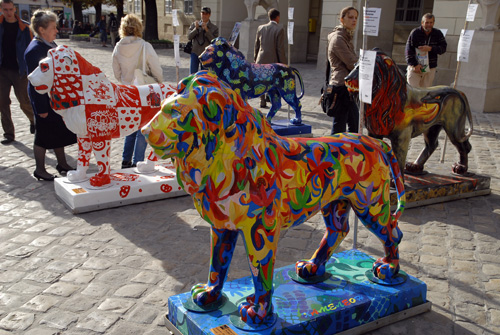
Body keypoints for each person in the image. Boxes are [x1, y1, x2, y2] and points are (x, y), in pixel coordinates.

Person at [24, 9, 77, 181]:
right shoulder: (35, 50)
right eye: (53, 27)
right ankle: (40, 169)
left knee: (58, 131)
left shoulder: (50, 45)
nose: (56, 30)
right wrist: (41, 107)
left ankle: (62, 163)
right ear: (42, 30)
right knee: (43, 136)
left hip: (54, 99)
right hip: (43, 101)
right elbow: (36, 83)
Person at [112, 13, 163, 169]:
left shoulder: (118, 46)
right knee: (144, 126)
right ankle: (137, 161)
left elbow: (116, 72)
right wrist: (158, 82)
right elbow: (156, 69)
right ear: (139, 28)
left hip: (127, 92)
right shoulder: (145, 46)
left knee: (130, 125)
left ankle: (125, 160)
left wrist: (126, 81)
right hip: (144, 92)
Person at [0, 0, 35, 145]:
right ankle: (9, 133)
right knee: (2, 102)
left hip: (20, 70)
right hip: (2, 69)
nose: (8, 12)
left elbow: (31, 48)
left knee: (24, 101)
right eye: (5, 9)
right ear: (1, 9)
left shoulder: (25, 27)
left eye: (10, 9)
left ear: (15, 9)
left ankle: (34, 121)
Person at [327, 6, 359, 135]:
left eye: (356, 18)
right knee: (339, 127)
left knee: (354, 124)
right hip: (341, 86)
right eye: (350, 17)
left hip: (349, 86)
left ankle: (352, 151)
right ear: (341, 19)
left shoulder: (346, 36)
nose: (354, 20)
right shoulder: (338, 39)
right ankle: (333, 152)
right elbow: (352, 63)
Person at [254, 8, 287, 108]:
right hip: (273, 61)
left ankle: (262, 100)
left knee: (261, 80)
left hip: (261, 59)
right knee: (273, 81)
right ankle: (273, 101)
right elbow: (280, 48)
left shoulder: (261, 28)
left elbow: (257, 45)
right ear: (277, 17)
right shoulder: (279, 29)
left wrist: (255, 59)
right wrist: (283, 63)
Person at [405, 13, 447, 88]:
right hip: (415, 68)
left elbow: (443, 48)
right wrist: (414, 64)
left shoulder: (438, 33)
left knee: (425, 93)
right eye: (426, 22)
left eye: (431, 22)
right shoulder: (415, 33)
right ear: (422, 23)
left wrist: (431, 48)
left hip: (430, 68)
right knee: (412, 92)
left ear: (433, 23)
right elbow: (408, 50)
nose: (429, 25)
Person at [187, 6, 218, 74]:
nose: (204, 15)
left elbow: (214, 41)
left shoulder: (214, 28)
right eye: (202, 13)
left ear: (209, 15)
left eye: (206, 13)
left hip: (206, 54)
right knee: (192, 73)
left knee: (205, 74)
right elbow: (189, 37)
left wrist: (207, 30)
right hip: (195, 52)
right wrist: (196, 29)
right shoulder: (194, 24)